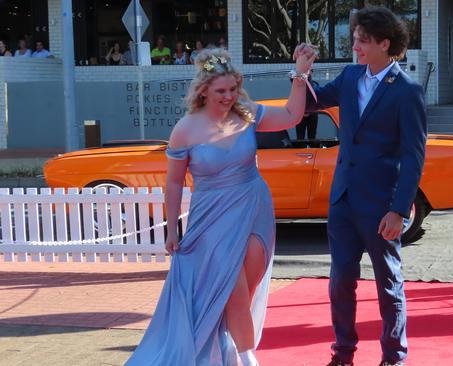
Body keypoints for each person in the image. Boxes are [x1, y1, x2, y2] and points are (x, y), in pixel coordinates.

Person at [124, 47, 316, 366]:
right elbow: (173, 183)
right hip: (211, 216)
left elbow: (292, 116)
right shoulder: (185, 129)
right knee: (232, 285)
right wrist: (173, 229)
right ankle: (246, 356)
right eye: (221, 91)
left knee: (247, 285)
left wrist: (300, 74)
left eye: (233, 89)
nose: (229, 97)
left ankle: (227, 341)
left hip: (254, 207)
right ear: (203, 90)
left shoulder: (247, 113)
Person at [295, 6, 426, 366]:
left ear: (385, 44)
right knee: (339, 283)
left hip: (382, 206)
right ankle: (343, 353)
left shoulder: (407, 91)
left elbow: (415, 156)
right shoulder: (351, 76)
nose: (355, 47)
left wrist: (400, 210)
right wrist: (300, 73)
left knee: (388, 286)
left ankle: (393, 357)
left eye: (362, 41)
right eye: (354, 39)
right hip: (343, 201)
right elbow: (309, 103)